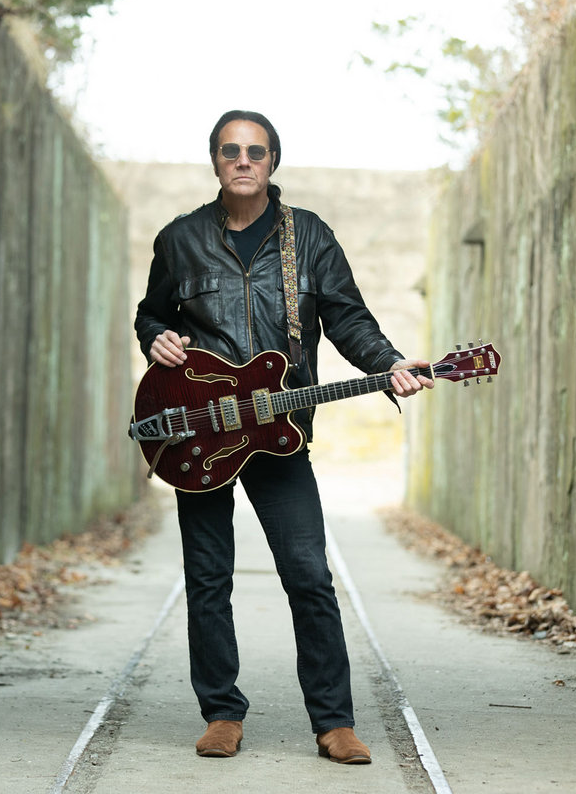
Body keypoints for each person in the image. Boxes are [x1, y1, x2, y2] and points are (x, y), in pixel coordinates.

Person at [134, 109, 433, 764]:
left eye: (256, 151)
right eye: (230, 150)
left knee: (308, 573)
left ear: (273, 161)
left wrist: (388, 362)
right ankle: (221, 712)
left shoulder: (311, 236)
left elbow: (348, 318)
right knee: (207, 576)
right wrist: (155, 337)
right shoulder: (180, 239)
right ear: (215, 160)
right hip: (200, 429)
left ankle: (334, 722)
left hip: (279, 430)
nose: (243, 160)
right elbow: (152, 314)